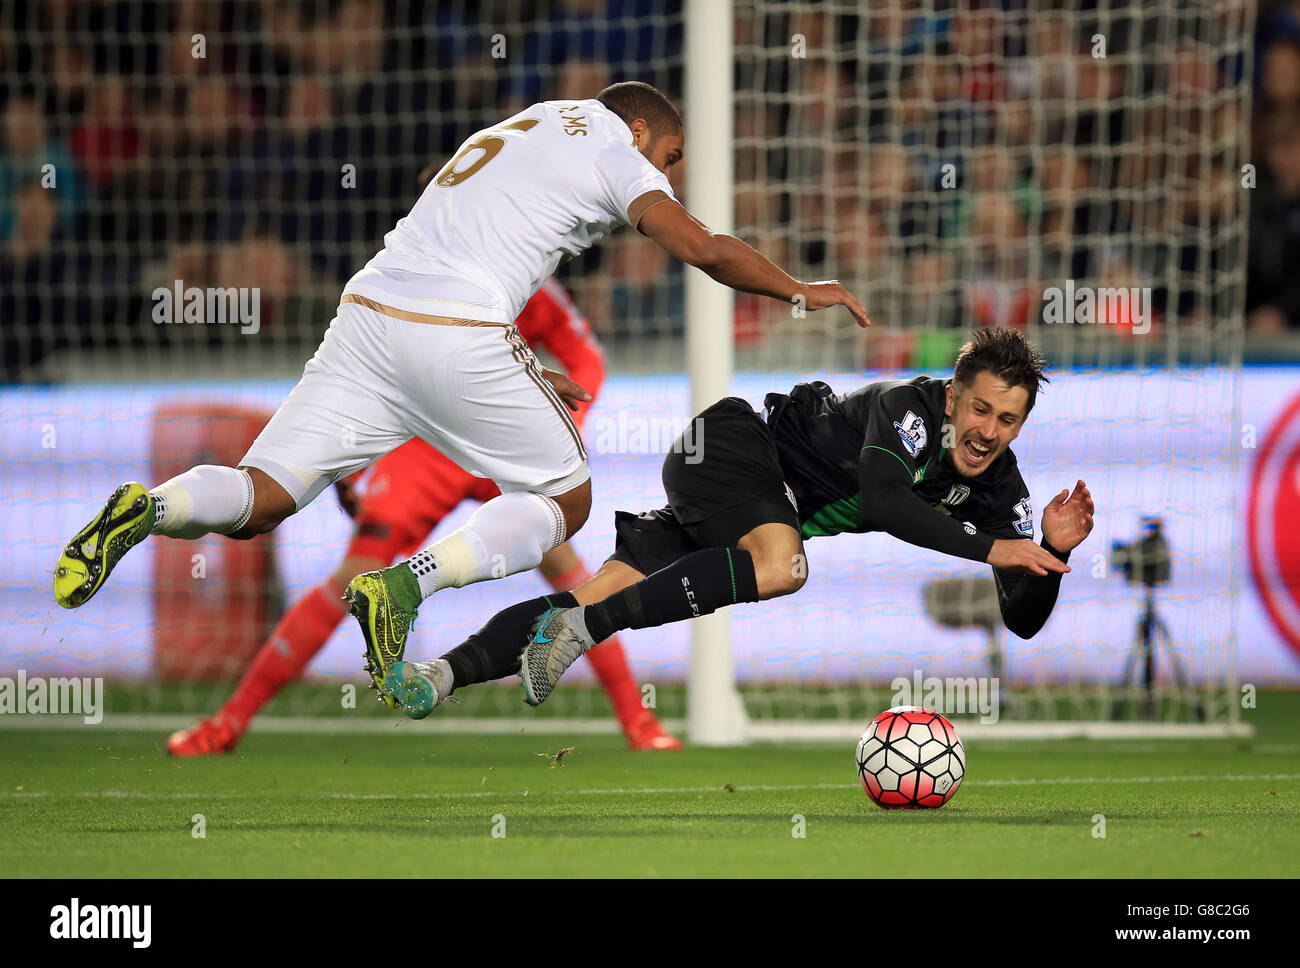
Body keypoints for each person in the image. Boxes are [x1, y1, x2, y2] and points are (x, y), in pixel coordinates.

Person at [53, 82, 868, 711]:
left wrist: (504, 363)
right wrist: (800, 289)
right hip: (456, 331)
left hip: (369, 316)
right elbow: (703, 247)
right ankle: (404, 586)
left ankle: (147, 509)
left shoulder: (521, 125)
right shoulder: (616, 146)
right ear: (644, 129)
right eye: (672, 154)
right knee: (566, 497)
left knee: (263, 497)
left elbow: (472, 236)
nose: (669, 170)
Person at [373, 328, 1095, 717]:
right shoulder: (907, 405)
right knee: (784, 567)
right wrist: (997, 545)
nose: (987, 432)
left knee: (596, 594)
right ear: (953, 397)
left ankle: (438, 676)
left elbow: (1023, 619)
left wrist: (1048, 554)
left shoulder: (1004, 489)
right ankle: (587, 631)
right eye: (979, 410)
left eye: (1007, 421)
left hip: (741, 504)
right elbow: (882, 499)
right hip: (733, 446)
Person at [165, 279, 680, 754]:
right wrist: (348, 462)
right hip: (426, 447)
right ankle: (229, 723)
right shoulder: (411, 274)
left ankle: (638, 722)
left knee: (570, 571)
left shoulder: (528, 276)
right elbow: (366, 371)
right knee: (351, 578)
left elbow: (585, 357)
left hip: (502, 442)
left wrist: (563, 425)